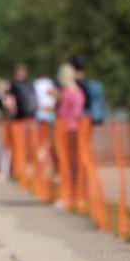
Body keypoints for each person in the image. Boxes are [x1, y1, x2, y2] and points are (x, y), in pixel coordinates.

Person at [53, 62, 85, 208]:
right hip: (73, 130)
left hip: (68, 131)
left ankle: (70, 197)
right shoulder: (77, 92)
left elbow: (66, 113)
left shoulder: (68, 93)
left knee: (68, 165)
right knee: (73, 165)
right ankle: (75, 196)